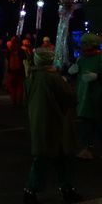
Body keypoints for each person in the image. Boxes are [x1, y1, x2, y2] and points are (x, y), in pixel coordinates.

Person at [23, 48, 82, 204]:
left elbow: (25, 101)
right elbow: (70, 98)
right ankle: (31, 190)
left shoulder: (30, 77)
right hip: (55, 123)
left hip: (38, 123)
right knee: (50, 158)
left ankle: (66, 189)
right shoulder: (53, 77)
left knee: (53, 157)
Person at [68, 33, 102, 160]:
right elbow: (76, 76)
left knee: (99, 124)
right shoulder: (81, 59)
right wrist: (72, 72)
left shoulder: (100, 58)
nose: (82, 46)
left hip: (98, 98)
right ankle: (86, 148)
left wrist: (98, 77)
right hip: (83, 97)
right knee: (85, 124)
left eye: (84, 44)